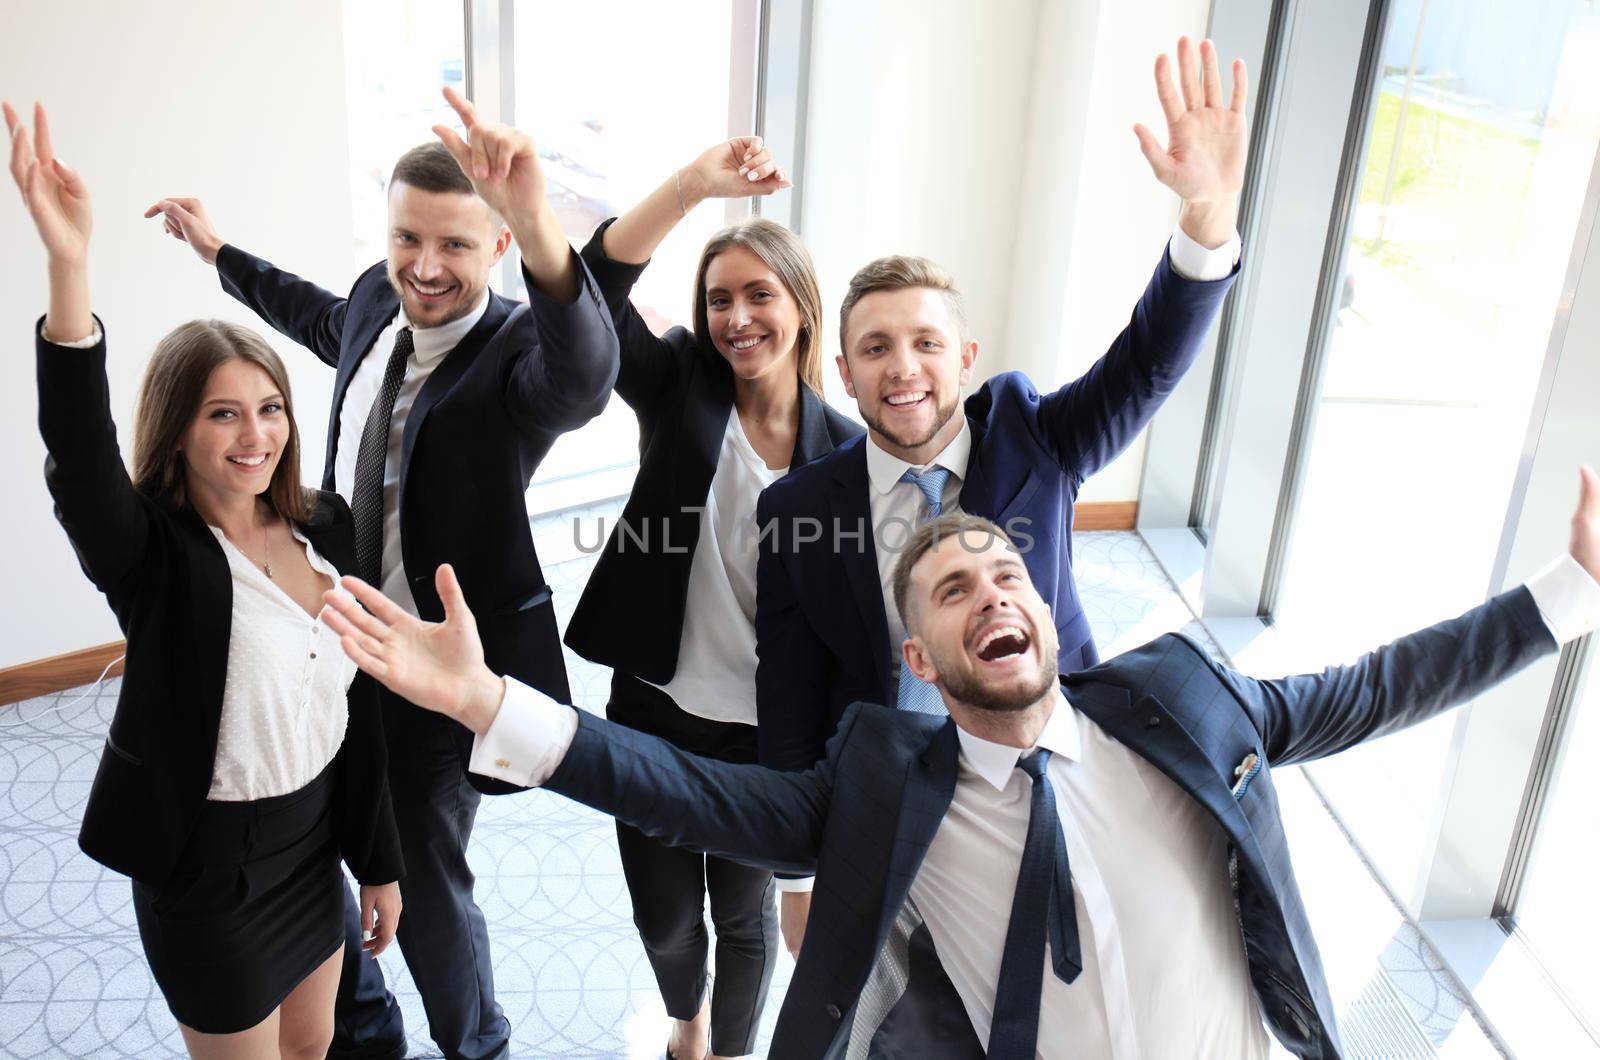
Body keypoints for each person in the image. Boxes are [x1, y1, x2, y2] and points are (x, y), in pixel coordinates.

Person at [320, 481, 1599, 1058]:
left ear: (1042, 611)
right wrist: (496, 705)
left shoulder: (1183, 706)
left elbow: (1375, 688)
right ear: (921, 657)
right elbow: (691, 791)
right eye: (952, 588)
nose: (993, 594)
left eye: (1006, 574)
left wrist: (1570, 589)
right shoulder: (885, 777)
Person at [146, 88, 619, 1060]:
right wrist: (218, 254)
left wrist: (536, 221)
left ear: (494, 248)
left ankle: (475, 1042)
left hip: (432, 672)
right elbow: (317, 314)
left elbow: (584, 374)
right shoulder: (375, 293)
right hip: (327, 648)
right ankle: (364, 1030)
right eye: (409, 238)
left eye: (455, 244)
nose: (426, 266)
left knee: (424, 881)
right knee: (319, 853)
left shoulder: (517, 358)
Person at [752, 36, 1251, 953]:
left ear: (966, 360)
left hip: (1054, 766)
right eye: (875, 349)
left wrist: (1207, 215)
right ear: (845, 378)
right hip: (895, 795)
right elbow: (787, 694)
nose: (904, 368)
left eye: (927, 344)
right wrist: (796, 870)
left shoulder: (1037, 435)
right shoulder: (795, 512)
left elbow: (1146, 365)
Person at [8, 101, 404, 1059]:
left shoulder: (326, 530)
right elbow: (77, 451)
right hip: (207, 872)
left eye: (269, 408)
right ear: (179, 427)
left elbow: (353, 720)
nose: (256, 434)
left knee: (314, 1052)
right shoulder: (153, 554)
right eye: (223, 414)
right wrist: (70, 266)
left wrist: (378, 867)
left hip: (313, 854)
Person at [560, 138, 860, 1059]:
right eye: (720, 298)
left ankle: (725, 1051)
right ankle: (683, 1021)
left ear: (803, 311)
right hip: (652, 708)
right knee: (663, 922)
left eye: (759, 296)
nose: (736, 317)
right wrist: (695, 186)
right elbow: (593, 286)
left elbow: (853, 630)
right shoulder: (681, 383)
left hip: (761, 740)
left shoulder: (845, 455)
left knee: (743, 918)